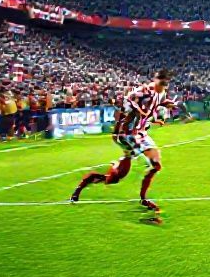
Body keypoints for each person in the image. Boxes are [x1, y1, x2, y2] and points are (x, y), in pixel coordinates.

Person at [70, 70, 176, 213]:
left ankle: (140, 196)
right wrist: (139, 110)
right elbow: (127, 100)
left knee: (118, 177)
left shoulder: (161, 93)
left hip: (140, 133)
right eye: (161, 82)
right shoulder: (143, 91)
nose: (162, 86)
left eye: (165, 84)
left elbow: (159, 102)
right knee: (148, 164)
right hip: (126, 134)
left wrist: (167, 105)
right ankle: (143, 198)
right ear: (155, 80)